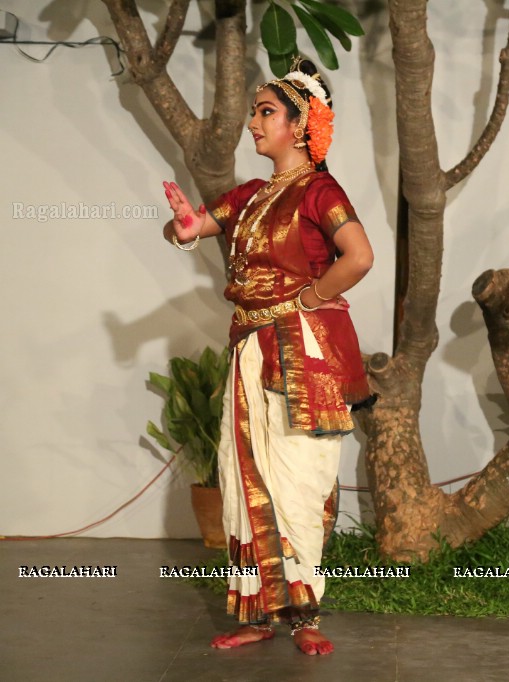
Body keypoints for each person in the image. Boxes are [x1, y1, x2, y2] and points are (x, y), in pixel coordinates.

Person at [161, 57, 375, 656]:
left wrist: (310, 296)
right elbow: (191, 228)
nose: (253, 124)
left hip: (303, 351)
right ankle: (258, 611)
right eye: (255, 112)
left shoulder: (320, 190)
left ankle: (306, 615)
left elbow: (358, 256)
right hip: (250, 347)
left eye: (265, 113)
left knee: (299, 478)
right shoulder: (253, 195)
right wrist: (180, 225)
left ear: (300, 124)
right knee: (243, 472)